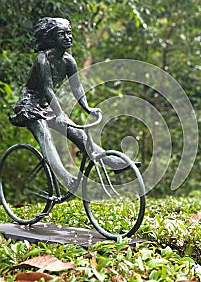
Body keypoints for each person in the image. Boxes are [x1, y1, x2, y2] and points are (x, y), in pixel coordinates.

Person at [9, 17, 130, 188]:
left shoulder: (68, 61)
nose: (68, 37)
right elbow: (47, 89)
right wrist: (59, 113)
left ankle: (111, 161)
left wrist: (87, 108)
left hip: (48, 105)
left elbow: (77, 87)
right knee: (46, 138)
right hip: (30, 105)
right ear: (52, 38)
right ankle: (66, 179)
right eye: (62, 34)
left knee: (78, 134)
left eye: (69, 33)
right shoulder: (43, 60)